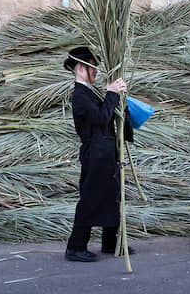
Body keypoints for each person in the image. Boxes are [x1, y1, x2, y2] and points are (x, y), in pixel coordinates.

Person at [63, 46, 133, 262]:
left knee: (111, 197)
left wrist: (120, 100)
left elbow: (108, 115)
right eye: (93, 67)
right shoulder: (80, 95)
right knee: (90, 199)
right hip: (95, 154)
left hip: (105, 153)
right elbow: (102, 118)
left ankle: (110, 242)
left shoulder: (89, 92)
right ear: (83, 67)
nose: (96, 72)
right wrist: (111, 92)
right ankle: (75, 247)